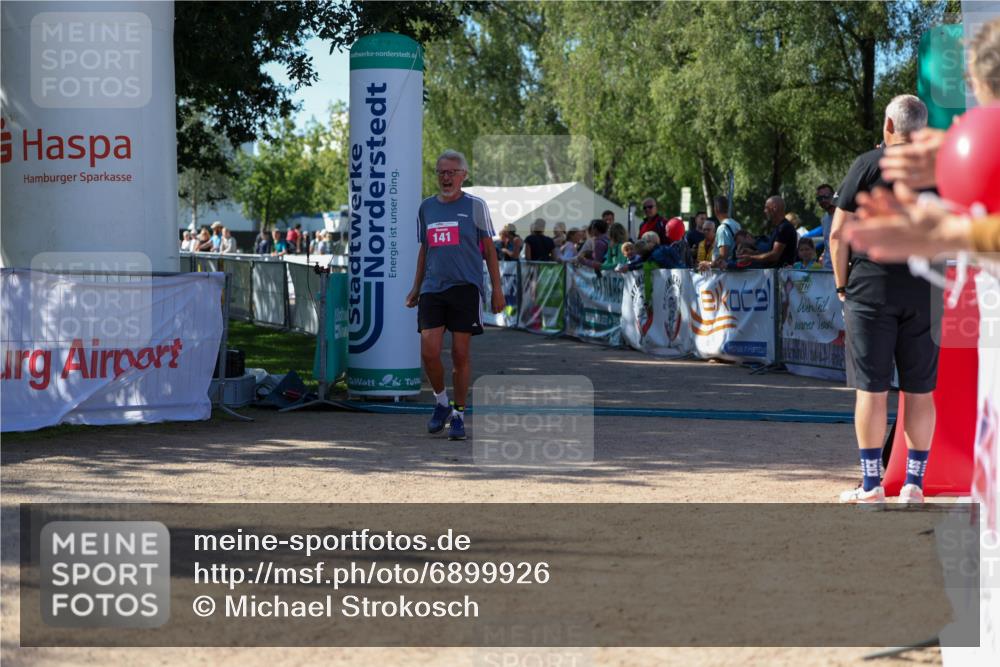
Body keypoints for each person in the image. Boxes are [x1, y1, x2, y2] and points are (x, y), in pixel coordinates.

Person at [829, 94, 937, 504]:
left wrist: (842, 287)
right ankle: (914, 483)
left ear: (889, 127)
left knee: (871, 392)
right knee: (920, 391)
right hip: (925, 290)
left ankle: (872, 484)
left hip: (871, 289)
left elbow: (839, 234)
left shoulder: (868, 164)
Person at [405, 150, 504, 440]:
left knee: (460, 354)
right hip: (433, 288)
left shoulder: (476, 206)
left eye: (452, 172)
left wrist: (497, 290)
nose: (446, 177)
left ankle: (459, 414)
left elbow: (489, 250)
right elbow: (425, 250)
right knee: (429, 352)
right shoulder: (426, 208)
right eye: (441, 172)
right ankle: (440, 403)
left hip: (466, 288)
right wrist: (415, 287)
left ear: (464, 175)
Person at [738, 196, 797, 268]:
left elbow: (774, 255)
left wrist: (751, 257)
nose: (764, 211)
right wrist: (752, 253)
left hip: (782, 276)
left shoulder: (784, 228)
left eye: (766, 208)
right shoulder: (778, 228)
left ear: (775, 208)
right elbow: (770, 252)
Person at [711, 196, 742, 269]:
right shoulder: (736, 224)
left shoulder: (722, 228)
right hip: (734, 269)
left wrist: (709, 264)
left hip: (725, 273)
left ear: (716, 209)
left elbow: (723, 256)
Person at [815, 184, 837, 268]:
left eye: (826, 196)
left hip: (842, 268)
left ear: (834, 196)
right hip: (827, 267)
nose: (823, 200)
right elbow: (827, 244)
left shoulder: (844, 215)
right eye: (819, 198)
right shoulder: (824, 219)